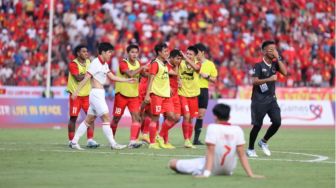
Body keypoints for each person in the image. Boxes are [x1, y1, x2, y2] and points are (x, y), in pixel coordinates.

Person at [169, 103, 264, 179]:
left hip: (211, 168)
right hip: (228, 170)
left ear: (215, 116)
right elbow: (242, 154)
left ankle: (194, 169)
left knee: (172, 163)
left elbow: (210, 152)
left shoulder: (212, 128)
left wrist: (206, 173)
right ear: (229, 117)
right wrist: (251, 174)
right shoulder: (238, 130)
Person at [69, 42, 135, 150]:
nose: (110, 55)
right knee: (106, 118)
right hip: (96, 94)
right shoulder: (95, 63)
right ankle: (113, 144)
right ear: (103, 52)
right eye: (109, 53)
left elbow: (112, 77)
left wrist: (127, 80)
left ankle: (74, 142)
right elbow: (86, 78)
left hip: (99, 93)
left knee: (88, 120)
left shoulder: (104, 64)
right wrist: (76, 91)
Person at [246, 40, 287, 157]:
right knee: (257, 125)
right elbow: (254, 81)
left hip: (271, 99)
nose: (273, 51)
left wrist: (278, 58)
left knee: (277, 122)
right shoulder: (258, 65)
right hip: (258, 100)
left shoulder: (275, 64)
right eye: (270, 49)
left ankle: (263, 141)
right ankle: (250, 149)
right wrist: (269, 79)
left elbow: (285, 72)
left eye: (274, 49)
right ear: (263, 51)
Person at [110, 44, 148, 148]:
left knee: (136, 117)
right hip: (121, 95)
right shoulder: (123, 63)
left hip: (133, 96)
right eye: (132, 52)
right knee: (116, 119)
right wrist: (141, 68)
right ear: (128, 53)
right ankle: (111, 139)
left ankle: (132, 142)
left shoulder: (138, 63)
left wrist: (152, 73)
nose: (134, 54)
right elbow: (130, 74)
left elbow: (143, 74)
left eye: (136, 52)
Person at [144, 42, 176, 149]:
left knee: (172, 117)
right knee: (155, 118)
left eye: (168, 51)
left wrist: (169, 87)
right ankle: (152, 143)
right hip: (156, 95)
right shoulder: (155, 63)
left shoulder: (165, 63)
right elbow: (151, 79)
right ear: (159, 52)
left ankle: (160, 136)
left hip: (166, 95)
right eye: (165, 51)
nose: (167, 53)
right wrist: (148, 95)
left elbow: (164, 77)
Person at [66, 44, 99, 148]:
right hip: (76, 95)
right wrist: (90, 74)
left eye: (87, 51)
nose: (86, 53)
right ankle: (71, 140)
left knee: (91, 117)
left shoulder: (89, 62)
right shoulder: (73, 64)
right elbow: (78, 78)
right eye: (83, 52)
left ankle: (90, 140)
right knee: (73, 118)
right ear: (78, 53)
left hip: (87, 96)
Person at [193, 43, 218, 145]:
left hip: (203, 91)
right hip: (192, 90)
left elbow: (214, 79)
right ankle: (187, 138)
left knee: (200, 115)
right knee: (189, 116)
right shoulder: (192, 62)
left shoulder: (210, 64)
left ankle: (195, 139)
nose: (195, 54)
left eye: (197, 52)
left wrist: (206, 77)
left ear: (202, 52)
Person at [178, 46, 201, 148]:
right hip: (182, 94)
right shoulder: (180, 63)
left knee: (191, 118)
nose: (187, 55)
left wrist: (185, 58)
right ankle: (186, 139)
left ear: (195, 56)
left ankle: (189, 141)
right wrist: (178, 80)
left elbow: (196, 69)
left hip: (193, 95)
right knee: (186, 116)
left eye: (190, 54)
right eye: (187, 53)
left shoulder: (198, 63)